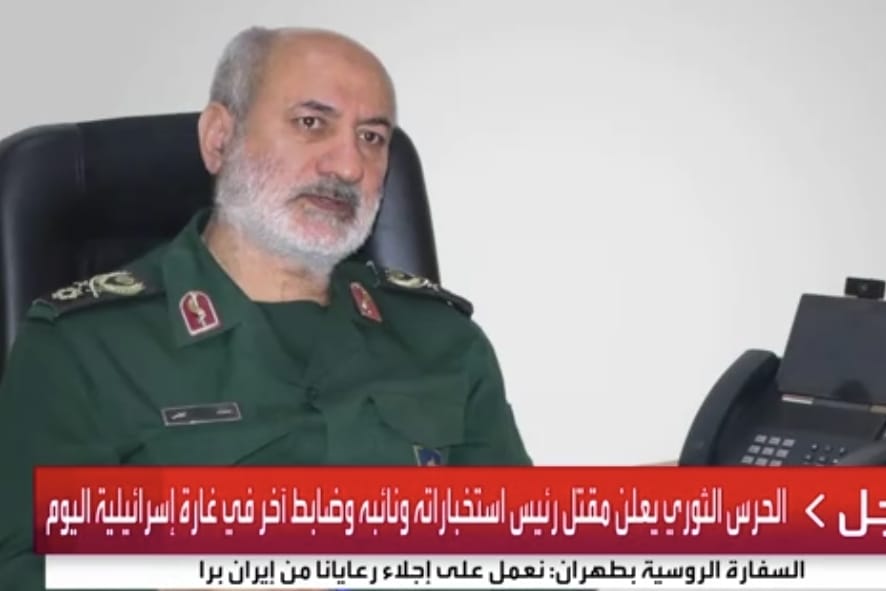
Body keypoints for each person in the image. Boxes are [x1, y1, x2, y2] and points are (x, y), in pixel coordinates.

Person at [0, 26, 532, 590]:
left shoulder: (443, 340)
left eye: (372, 137)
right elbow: (32, 574)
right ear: (219, 139)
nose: (348, 166)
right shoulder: (83, 348)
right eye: (311, 123)